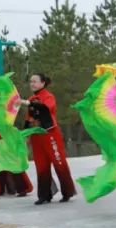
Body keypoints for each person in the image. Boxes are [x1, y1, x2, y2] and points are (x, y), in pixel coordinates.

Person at [20, 73, 77, 204]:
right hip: (36, 136)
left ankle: (67, 192)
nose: (32, 84)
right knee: (41, 165)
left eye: (35, 81)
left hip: (50, 135)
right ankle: (44, 195)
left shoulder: (48, 97)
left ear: (43, 83)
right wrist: (24, 135)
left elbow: (46, 108)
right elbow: (29, 119)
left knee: (59, 162)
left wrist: (28, 102)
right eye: (31, 82)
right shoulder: (31, 98)